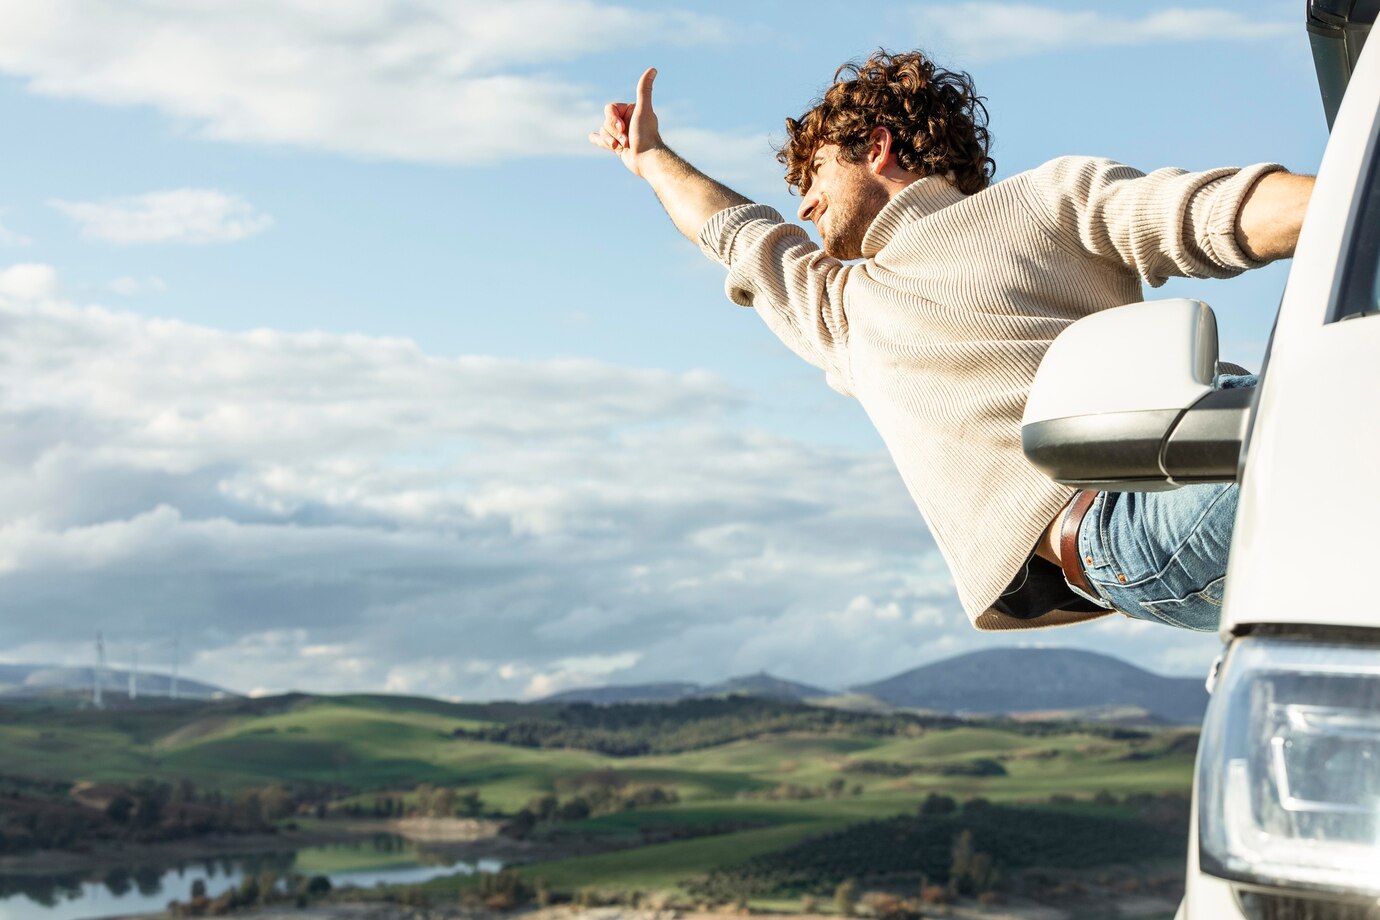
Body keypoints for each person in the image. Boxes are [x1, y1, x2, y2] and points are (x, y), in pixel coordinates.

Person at [588, 51, 1313, 633]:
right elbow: (736, 232)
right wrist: (650, 157)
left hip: (1216, 451)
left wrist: (1354, 202)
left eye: (813, 175)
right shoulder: (845, 309)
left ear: (876, 148)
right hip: (1125, 531)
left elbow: (1211, 213)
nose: (802, 203)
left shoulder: (1045, 200)